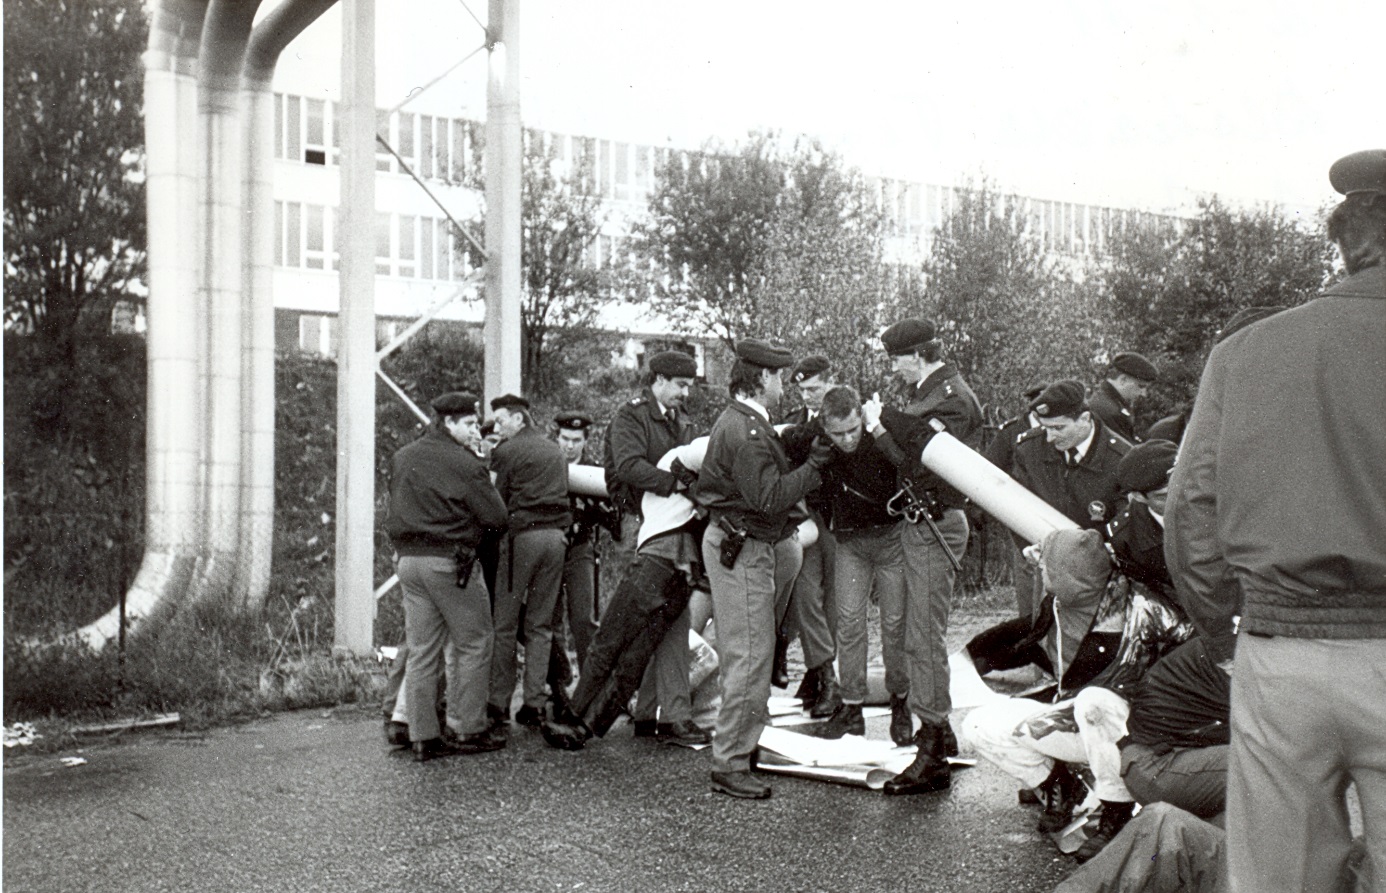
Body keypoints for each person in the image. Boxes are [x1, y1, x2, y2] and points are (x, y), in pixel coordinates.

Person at [1165, 148, 1386, 893]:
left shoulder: (1245, 351)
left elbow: (1190, 510)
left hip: (1277, 652)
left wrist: (1229, 626)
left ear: (1345, 241)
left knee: (1278, 880)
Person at [694, 338, 832, 799]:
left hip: (748, 543)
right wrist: (815, 466)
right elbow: (770, 497)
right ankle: (730, 762)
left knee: (752, 652)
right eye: (777, 377)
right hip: (745, 547)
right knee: (750, 657)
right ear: (761, 379)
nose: (781, 384)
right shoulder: (747, 432)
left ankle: (742, 746)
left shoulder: (747, 422)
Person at [864, 317, 983, 796]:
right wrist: (882, 426)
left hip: (936, 523)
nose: (894, 368)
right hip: (920, 524)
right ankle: (938, 728)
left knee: (921, 637)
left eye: (897, 359)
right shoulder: (930, 393)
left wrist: (882, 423)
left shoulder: (950, 399)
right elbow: (909, 457)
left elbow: (921, 456)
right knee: (916, 633)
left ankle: (932, 746)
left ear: (917, 355)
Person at [539, 436, 711, 751]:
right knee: (636, 654)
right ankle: (587, 726)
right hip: (685, 568)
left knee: (609, 641)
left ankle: (573, 717)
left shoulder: (673, 461)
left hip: (656, 563)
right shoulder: (693, 479)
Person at [383, 392, 509, 761]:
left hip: (408, 563)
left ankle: (424, 736)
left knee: (422, 650)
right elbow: (497, 517)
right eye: (469, 424)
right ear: (448, 423)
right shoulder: (465, 463)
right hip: (450, 564)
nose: (474, 430)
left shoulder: (403, 456)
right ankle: (466, 728)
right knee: (474, 642)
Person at [603, 349, 706, 744]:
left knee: (669, 619)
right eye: (680, 385)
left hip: (674, 527)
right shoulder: (631, 416)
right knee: (650, 619)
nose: (685, 393)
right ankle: (660, 712)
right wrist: (676, 484)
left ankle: (653, 712)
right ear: (658, 380)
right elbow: (627, 466)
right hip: (642, 524)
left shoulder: (682, 423)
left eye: (688, 386)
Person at [802, 385, 912, 745]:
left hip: (891, 539)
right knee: (849, 626)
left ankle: (900, 702)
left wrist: (878, 431)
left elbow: (906, 464)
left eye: (853, 429)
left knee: (895, 625)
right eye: (838, 433)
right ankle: (851, 708)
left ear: (861, 418)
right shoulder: (820, 445)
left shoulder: (879, 433)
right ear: (825, 427)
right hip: (850, 543)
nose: (848, 439)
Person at [486, 394, 572, 733]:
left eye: (502, 420)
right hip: (556, 540)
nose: (497, 426)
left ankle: (498, 702)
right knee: (540, 624)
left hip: (521, 539)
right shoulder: (555, 450)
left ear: (519, 419)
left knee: (504, 624)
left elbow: (496, 502)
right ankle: (534, 704)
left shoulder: (505, 452)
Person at [776, 354, 841, 717]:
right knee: (805, 594)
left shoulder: (846, 413)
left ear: (831, 382)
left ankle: (819, 678)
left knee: (834, 600)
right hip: (806, 517)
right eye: (802, 390)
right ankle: (824, 675)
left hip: (840, 519)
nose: (808, 397)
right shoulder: (798, 423)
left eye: (814, 388)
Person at [984, 381, 1047, 619]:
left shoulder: (1057, 431)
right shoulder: (1011, 433)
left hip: (1053, 508)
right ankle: (1028, 625)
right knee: (1027, 568)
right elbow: (990, 469)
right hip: (1021, 512)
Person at [1088, 353, 1157, 443]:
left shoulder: (1107, 401)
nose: (1143, 394)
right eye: (1141, 386)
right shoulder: (1110, 411)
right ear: (1123, 380)